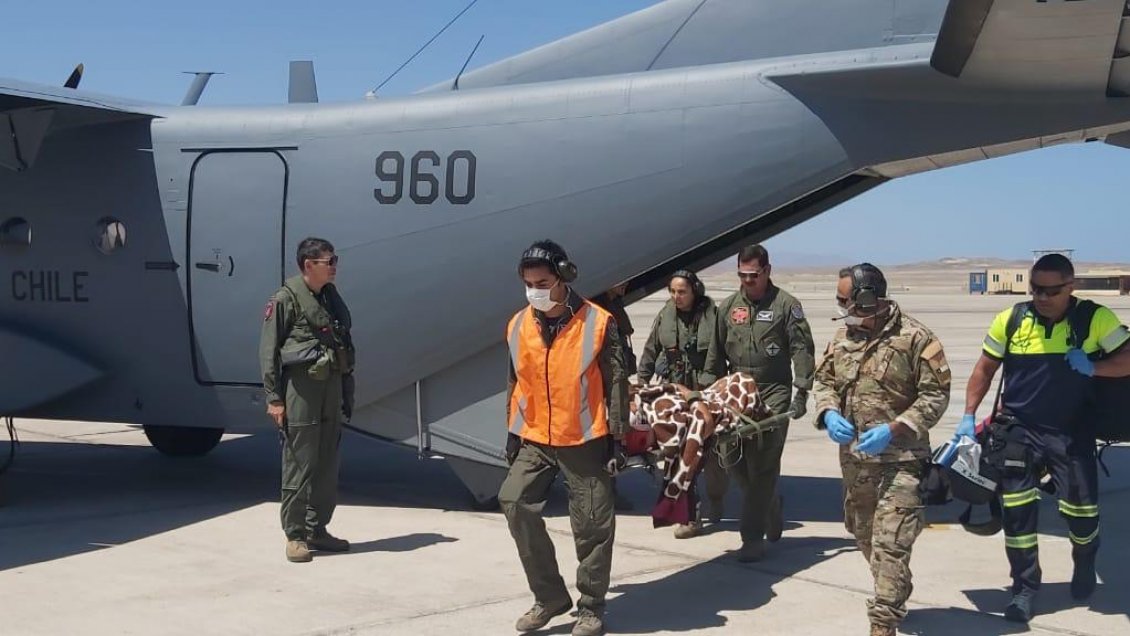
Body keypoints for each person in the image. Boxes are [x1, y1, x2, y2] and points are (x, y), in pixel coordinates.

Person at [957, 253, 1130, 623]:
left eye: (1052, 290)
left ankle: (1084, 559)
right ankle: (1024, 588)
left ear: (1071, 287)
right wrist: (968, 417)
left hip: (1071, 431)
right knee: (1017, 514)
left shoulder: (1095, 319)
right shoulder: (1012, 319)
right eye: (1036, 289)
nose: (1042, 297)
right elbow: (984, 369)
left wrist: (1094, 366)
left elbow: (1128, 359)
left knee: (1082, 515)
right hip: (1018, 429)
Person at [499, 239, 630, 636]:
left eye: (542, 282)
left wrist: (618, 439)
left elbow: (617, 383)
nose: (534, 291)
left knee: (591, 525)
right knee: (513, 501)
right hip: (536, 436)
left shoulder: (598, 322)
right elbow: (514, 381)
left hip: (584, 438)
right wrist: (511, 432)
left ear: (564, 277)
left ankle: (591, 608)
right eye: (528, 283)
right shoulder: (518, 324)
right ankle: (550, 597)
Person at [812, 263, 951, 636]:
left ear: (868, 298)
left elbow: (936, 395)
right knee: (863, 534)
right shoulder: (843, 336)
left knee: (890, 543)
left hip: (902, 462)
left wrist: (896, 428)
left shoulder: (916, 338)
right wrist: (826, 413)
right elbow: (822, 381)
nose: (840, 305)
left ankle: (883, 621)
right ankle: (896, 587)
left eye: (845, 299)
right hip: (857, 463)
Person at [701, 244, 815, 561]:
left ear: (767, 271)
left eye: (753, 275)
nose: (747, 281)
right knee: (732, 458)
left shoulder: (786, 306)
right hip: (737, 390)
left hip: (773, 390)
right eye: (742, 275)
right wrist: (709, 396)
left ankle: (752, 537)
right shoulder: (726, 308)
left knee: (763, 464)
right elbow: (715, 356)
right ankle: (770, 504)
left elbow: (802, 351)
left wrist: (801, 392)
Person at [258, 237, 356, 563]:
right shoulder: (286, 300)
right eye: (328, 261)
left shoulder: (329, 298)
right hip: (301, 390)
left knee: (327, 462)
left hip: (329, 387)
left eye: (334, 260)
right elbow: (269, 351)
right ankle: (295, 534)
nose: (334, 266)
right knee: (300, 462)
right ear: (307, 265)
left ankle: (318, 528)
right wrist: (274, 398)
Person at [637, 269, 725, 538]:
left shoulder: (713, 316)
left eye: (682, 291)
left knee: (714, 458)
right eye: (672, 291)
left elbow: (719, 353)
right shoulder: (666, 315)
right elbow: (652, 349)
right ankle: (691, 516)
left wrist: (707, 393)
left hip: (704, 391)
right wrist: (642, 381)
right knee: (684, 455)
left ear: (695, 290)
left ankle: (719, 499)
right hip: (675, 391)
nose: (677, 297)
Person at [590, 282, 638, 513]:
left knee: (613, 441)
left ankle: (609, 492)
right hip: (603, 387)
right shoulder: (599, 310)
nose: (626, 284)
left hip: (615, 385)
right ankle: (604, 496)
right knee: (604, 441)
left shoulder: (613, 305)